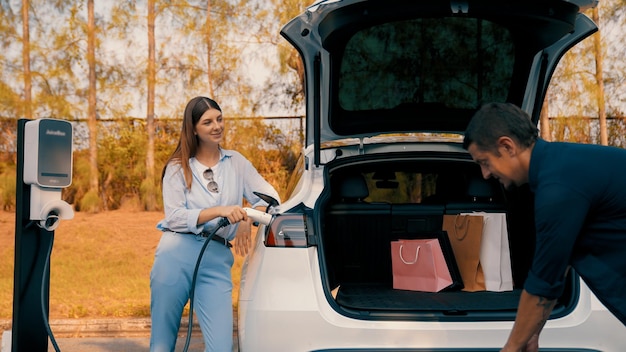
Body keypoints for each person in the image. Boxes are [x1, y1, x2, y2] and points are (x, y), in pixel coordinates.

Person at [463, 102, 626, 352]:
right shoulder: (559, 165)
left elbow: (544, 282)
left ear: (507, 146)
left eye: (484, 162)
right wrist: (532, 332)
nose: (484, 174)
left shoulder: (558, 187)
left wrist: (511, 348)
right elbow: (559, 263)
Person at [150, 96, 280, 352]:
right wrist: (219, 211)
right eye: (207, 122)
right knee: (162, 345)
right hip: (175, 255)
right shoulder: (177, 167)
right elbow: (174, 216)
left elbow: (271, 196)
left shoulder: (236, 162)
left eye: (219, 119)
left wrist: (247, 214)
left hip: (216, 259)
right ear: (194, 128)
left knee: (221, 346)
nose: (217, 126)